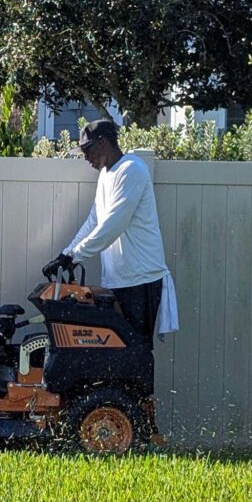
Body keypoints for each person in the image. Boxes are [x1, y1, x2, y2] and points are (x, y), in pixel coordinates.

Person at [42, 119, 178, 348]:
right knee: (117, 355)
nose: (86, 158)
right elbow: (94, 221)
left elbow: (113, 225)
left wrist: (75, 256)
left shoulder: (131, 170)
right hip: (118, 280)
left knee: (137, 354)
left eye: (87, 151)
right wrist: (65, 255)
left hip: (141, 280)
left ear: (103, 143)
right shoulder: (106, 175)